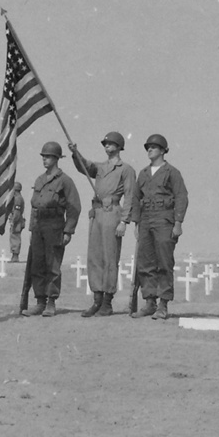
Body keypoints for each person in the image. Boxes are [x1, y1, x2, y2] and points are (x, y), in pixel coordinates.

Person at [69, 131, 136, 318]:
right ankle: (96, 301)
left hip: (112, 212)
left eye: (110, 143)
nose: (106, 146)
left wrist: (124, 221)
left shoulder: (126, 169)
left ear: (119, 146)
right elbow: (85, 167)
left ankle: (107, 302)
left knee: (109, 257)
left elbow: (130, 196)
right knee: (94, 257)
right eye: (105, 143)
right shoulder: (100, 167)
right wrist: (76, 153)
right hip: (97, 213)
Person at [127, 134, 188, 321]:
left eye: (154, 147)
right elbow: (136, 199)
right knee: (146, 263)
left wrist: (178, 223)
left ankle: (163, 304)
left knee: (164, 262)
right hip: (146, 221)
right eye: (148, 147)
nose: (149, 150)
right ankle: (149, 302)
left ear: (163, 150)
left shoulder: (172, 172)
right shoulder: (144, 173)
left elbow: (181, 197)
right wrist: (137, 223)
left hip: (164, 220)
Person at [22, 142, 81, 318]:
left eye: (47, 157)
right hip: (39, 226)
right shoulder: (39, 180)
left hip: (55, 225)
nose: (44, 160)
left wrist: (68, 231)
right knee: (37, 264)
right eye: (43, 157)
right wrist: (33, 228)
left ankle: (51, 302)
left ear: (56, 159)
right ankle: (40, 301)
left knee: (53, 264)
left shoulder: (65, 181)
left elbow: (74, 207)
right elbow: (34, 206)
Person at [8, 182, 25, 261]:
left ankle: (15, 255)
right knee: (13, 236)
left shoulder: (18, 199)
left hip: (17, 221)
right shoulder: (18, 198)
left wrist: (13, 221)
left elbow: (17, 212)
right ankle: (14, 254)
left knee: (15, 237)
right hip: (16, 220)